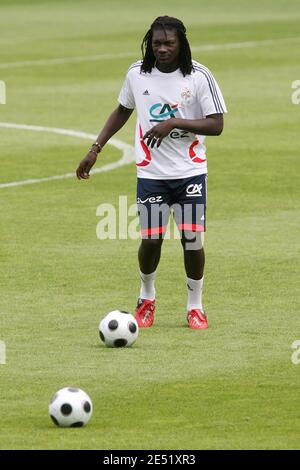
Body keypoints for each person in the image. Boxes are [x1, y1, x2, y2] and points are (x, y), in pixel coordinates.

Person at [76, 16, 227, 329]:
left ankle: (195, 306)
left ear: (181, 43)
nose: (162, 49)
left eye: (169, 43)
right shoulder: (137, 73)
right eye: (157, 43)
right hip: (151, 174)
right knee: (151, 240)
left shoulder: (199, 76)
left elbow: (216, 124)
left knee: (192, 240)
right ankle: (146, 298)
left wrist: (173, 122)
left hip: (190, 172)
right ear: (149, 43)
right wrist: (95, 149)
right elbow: (122, 110)